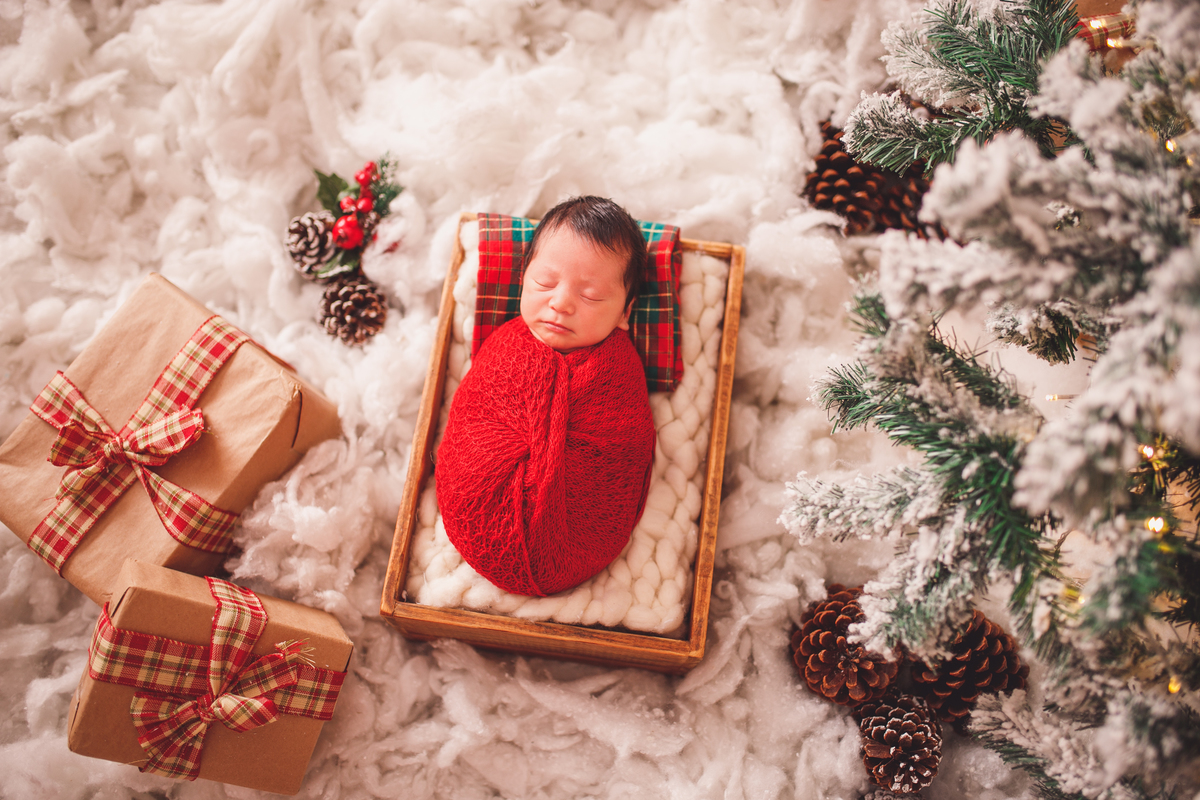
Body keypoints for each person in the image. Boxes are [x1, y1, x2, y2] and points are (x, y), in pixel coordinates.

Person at [435, 197, 657, 597]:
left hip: (580, 534)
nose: (561, 303)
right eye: (544, 283)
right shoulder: (506, 344)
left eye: (590, 295)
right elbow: (475, 415)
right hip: (481, 510)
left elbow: (626, 443)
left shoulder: (620, 370)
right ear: (523, 279)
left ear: (626, 312)